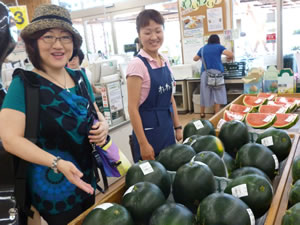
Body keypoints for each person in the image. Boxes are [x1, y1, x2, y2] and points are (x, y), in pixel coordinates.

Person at [0, 4, 109, 225]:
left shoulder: (80, 77)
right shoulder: (25, 84)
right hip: (52, 186)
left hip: (86, 176)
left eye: (65, 37)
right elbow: (10, 139)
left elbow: (95, 112)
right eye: (48, 37)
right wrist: (57, 163)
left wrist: (103, 125)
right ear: (34, 43)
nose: (58, 45)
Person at [126, 9, 183, 163]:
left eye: (158, 31)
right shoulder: (137, 65)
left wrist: (177, 126)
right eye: (147, 32)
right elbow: (132, 108)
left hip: (166, 128)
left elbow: (169, 97)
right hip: (148, 133)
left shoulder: (164, 60)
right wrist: (143, 144)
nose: (153, 37)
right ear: (139, 34)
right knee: (154, 180)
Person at [193, 34, 233, 118]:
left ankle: (202, 113)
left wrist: (203, 57)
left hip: (205, 74)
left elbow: (195, 58)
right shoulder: (219, 47)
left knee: (204, 93)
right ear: (217, 40)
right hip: (217, 73)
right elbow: (230, 54)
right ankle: (216, 114)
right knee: (217, 93)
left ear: (209, 40)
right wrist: (228, 58)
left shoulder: (203, 48)